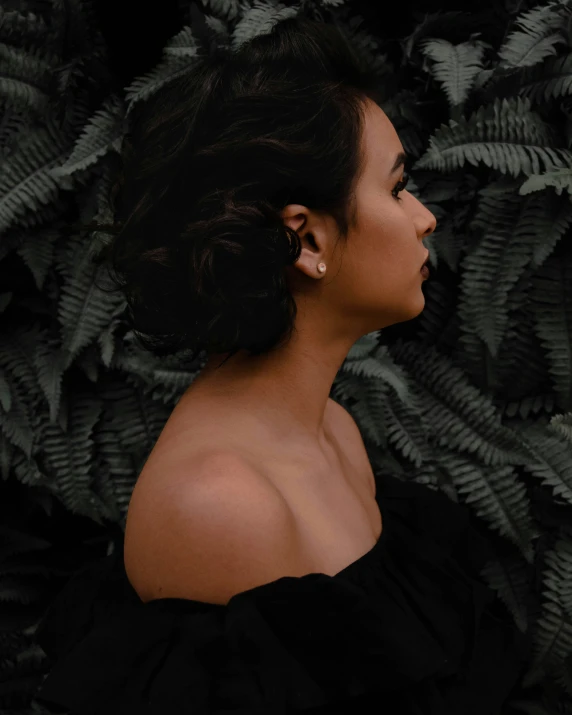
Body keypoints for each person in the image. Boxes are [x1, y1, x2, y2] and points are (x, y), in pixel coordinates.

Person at [33, 14, 531, 715]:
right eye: (394, 188)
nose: (425, 217)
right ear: (306, 238)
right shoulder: (221, 508)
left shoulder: (331, 430)